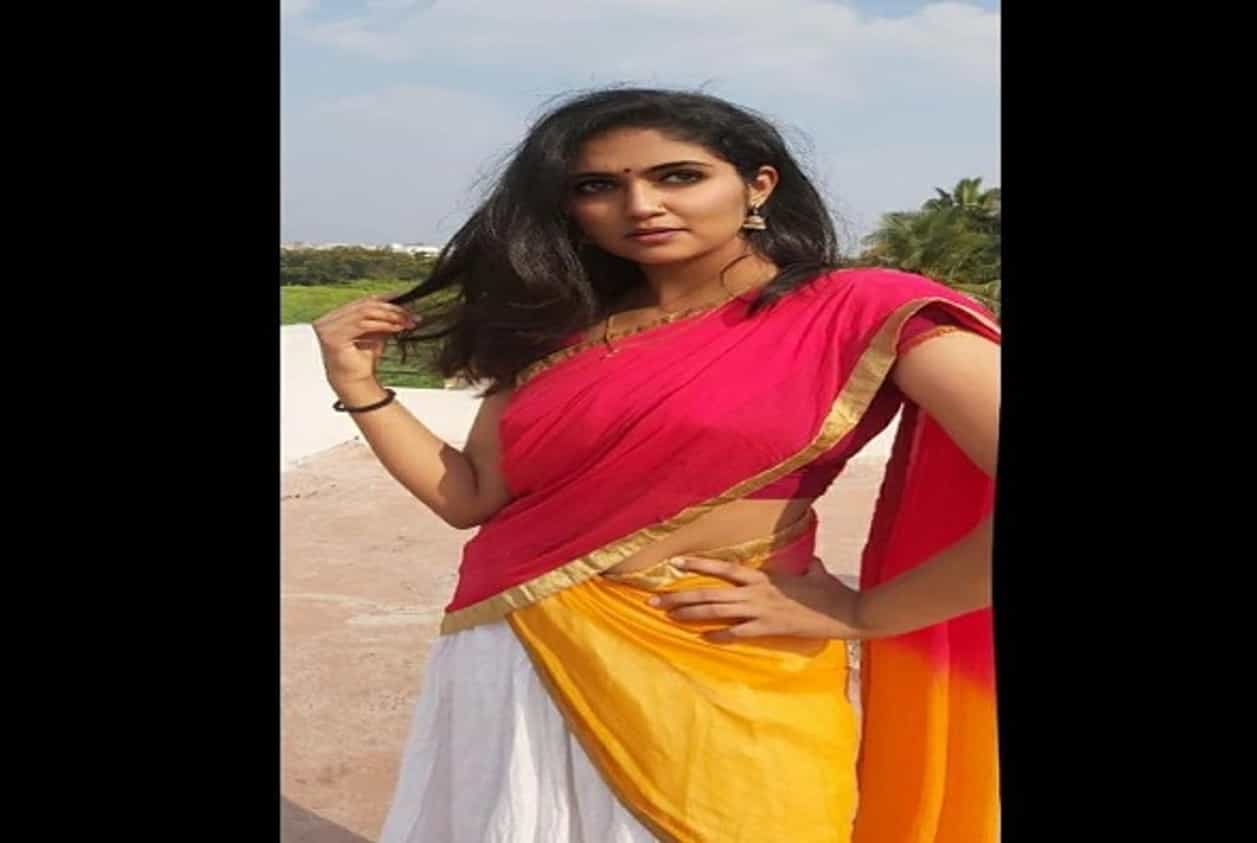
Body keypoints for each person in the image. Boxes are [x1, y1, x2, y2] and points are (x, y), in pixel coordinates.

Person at [311, 87, 1001, 843]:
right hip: (515, 649)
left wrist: (868, 614)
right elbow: (470, 496)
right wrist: (358, 384)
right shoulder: (561, 330)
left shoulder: (859, 308)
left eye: (679, 176)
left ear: (758, 185)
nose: (640, 205)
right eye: (597, 185)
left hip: (726, 660)